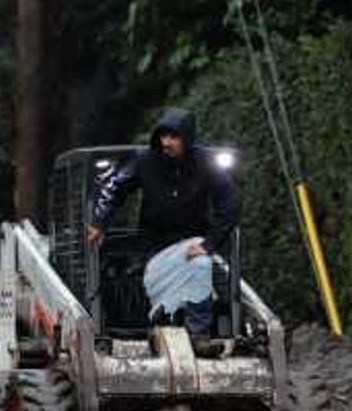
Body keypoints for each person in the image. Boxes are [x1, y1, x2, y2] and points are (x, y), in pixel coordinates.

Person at [86, 107, 238, 341]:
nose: (166, 142)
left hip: (194, 243)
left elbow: (229, 205)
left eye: (174, 137)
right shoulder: (144, 160)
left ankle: (203, 334)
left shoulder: (206, 163)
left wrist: (210, 243)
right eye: (163, 136)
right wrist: (100, 222)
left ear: (187, 138)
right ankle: (197, 336)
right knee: (199, 267)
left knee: (211, 271)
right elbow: (115, 188)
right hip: (155, 247)